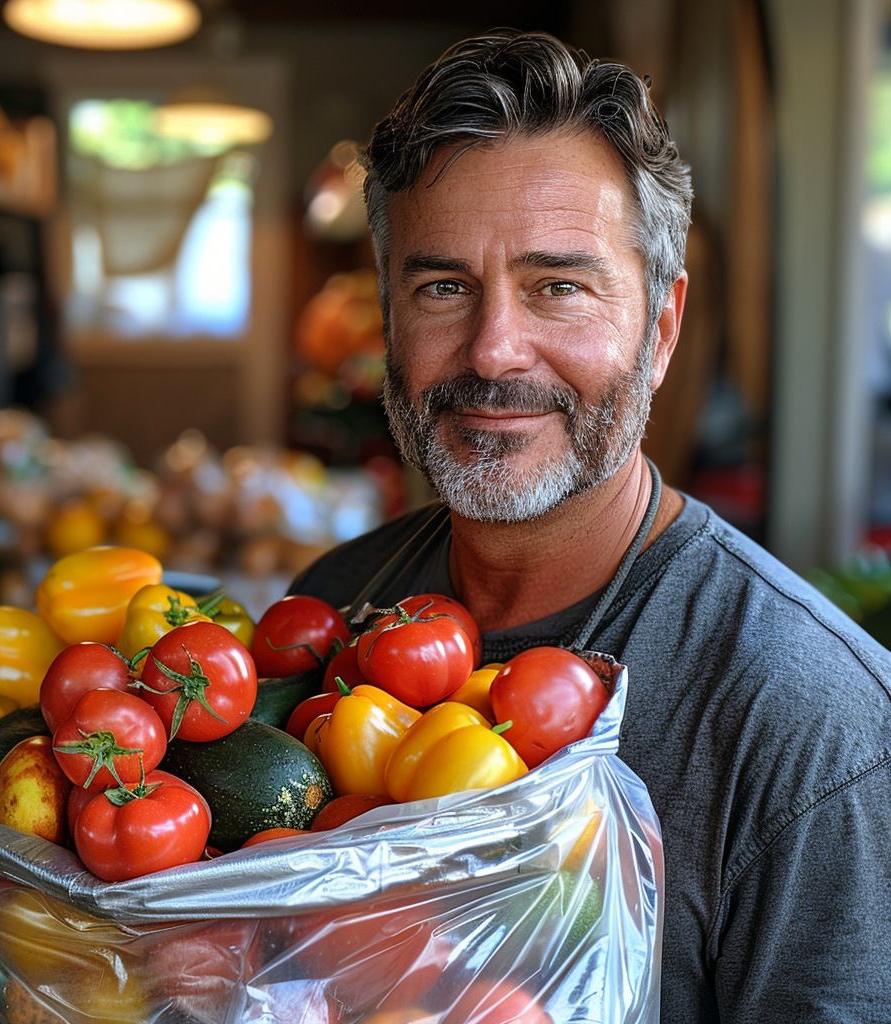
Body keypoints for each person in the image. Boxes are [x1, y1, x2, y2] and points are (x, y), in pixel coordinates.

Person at [291, 28, 891, 1024]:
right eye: (442, 286)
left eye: (556, 287)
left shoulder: (814, 726)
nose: (492, 348)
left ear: (659, 330)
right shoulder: (327, 607)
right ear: (388, 319)